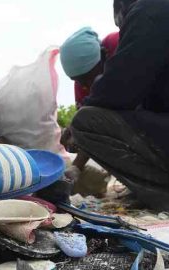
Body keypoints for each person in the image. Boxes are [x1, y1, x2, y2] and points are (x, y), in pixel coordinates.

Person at [61, 0, 169, 213]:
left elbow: (114, 94)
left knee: (83, 122)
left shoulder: (151, 11)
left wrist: (73, 130)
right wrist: (76, 167)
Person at [60, 28, 118, 187]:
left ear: (103, 55)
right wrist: (76, 167)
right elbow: (88, 124)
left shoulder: (119, 46)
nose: (85, 85)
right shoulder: (82, 85)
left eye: (87, 78)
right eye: (77, 80)